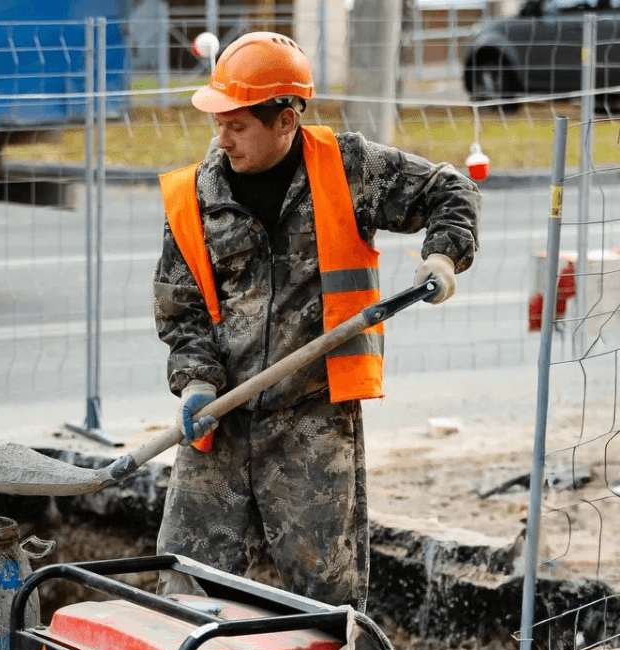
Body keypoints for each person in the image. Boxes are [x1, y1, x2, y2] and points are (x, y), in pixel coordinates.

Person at [153, 31, 481, 611]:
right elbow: (181, 311)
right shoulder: (193, 197)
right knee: (183, 587)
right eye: (217, 122)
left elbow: (448, 188)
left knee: (323, 600)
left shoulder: (346, 168)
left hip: (313, 423)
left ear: (285, 119)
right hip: (220, 423)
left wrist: (442, 256)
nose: (221, 138)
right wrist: (198, 382)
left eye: (237, 124)